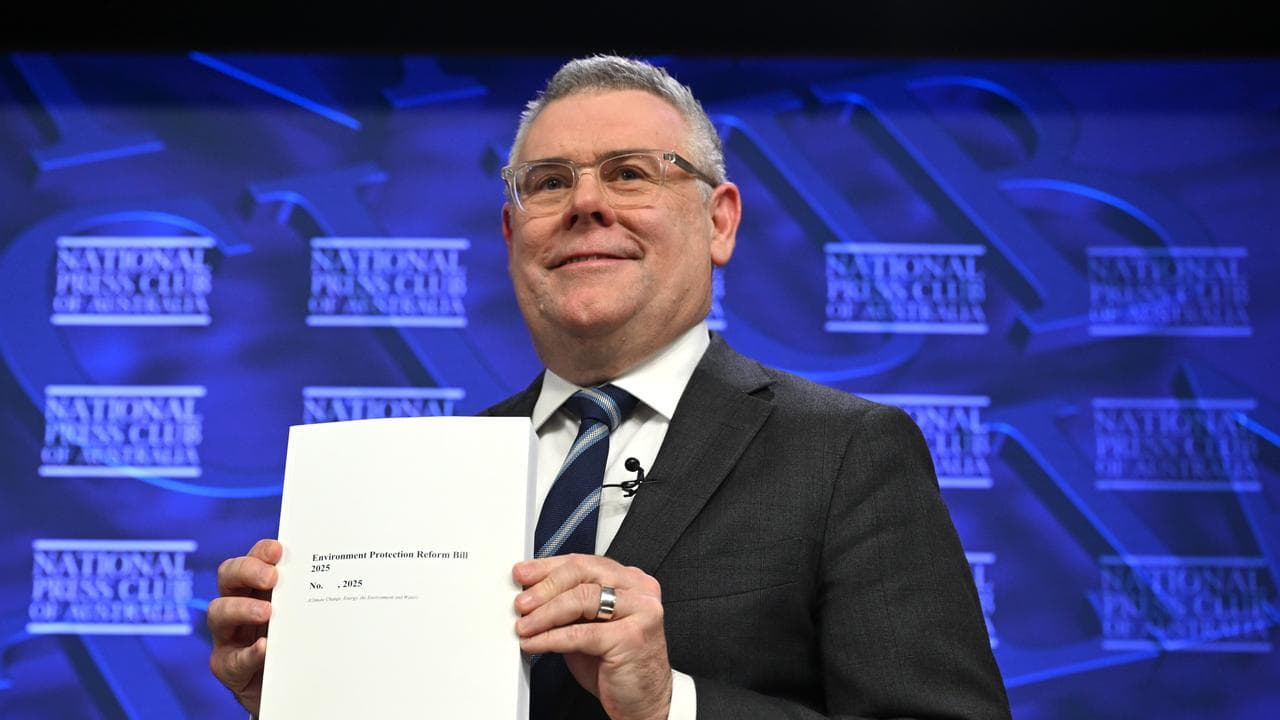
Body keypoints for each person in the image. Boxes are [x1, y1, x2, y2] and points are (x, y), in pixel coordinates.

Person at [209, 55, 1012, 719]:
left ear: (719, 222)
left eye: (630, 174)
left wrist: (673, 705)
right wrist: (296, 694)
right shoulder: (426, 476)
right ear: (511, 233)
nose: (586, 203)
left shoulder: (846, 453)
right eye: (549, 183)